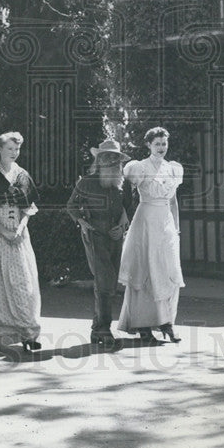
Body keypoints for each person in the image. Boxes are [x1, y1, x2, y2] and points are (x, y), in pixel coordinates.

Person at [0, 131, 42, 352]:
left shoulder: (22, 175)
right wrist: (3, 231)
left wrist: (19, 229)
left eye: (17, 149)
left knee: (23, 282)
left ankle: (29, 334)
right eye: (9, 148)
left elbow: (28, 208)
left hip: (19, 233)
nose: (14, 152)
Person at [117, 127, 185, 344]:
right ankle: (143, 325)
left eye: (164, 144)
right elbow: (125, 194)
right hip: (145, 220)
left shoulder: (173, 169)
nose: (161, 148)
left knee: (167, 271)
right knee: (146, 269)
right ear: (148, 145)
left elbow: (173, 201)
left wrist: (176, 229)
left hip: (165, 223)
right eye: (157, 144)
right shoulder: (139, 167)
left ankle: (167, 324)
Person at [66, 139, 133, 347]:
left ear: (119, 161)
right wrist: (83, 223)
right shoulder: (86, 182)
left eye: (114, 157)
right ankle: (104, 329)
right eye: (106, 157)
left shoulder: (124, 184)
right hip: (95, 235)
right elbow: (71, 206)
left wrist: (122, 226)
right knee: (104, 280)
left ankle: (97, 329)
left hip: (116, 235)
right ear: (99, 159)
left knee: (109, 282)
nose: (110, 161)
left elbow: (129, 208)